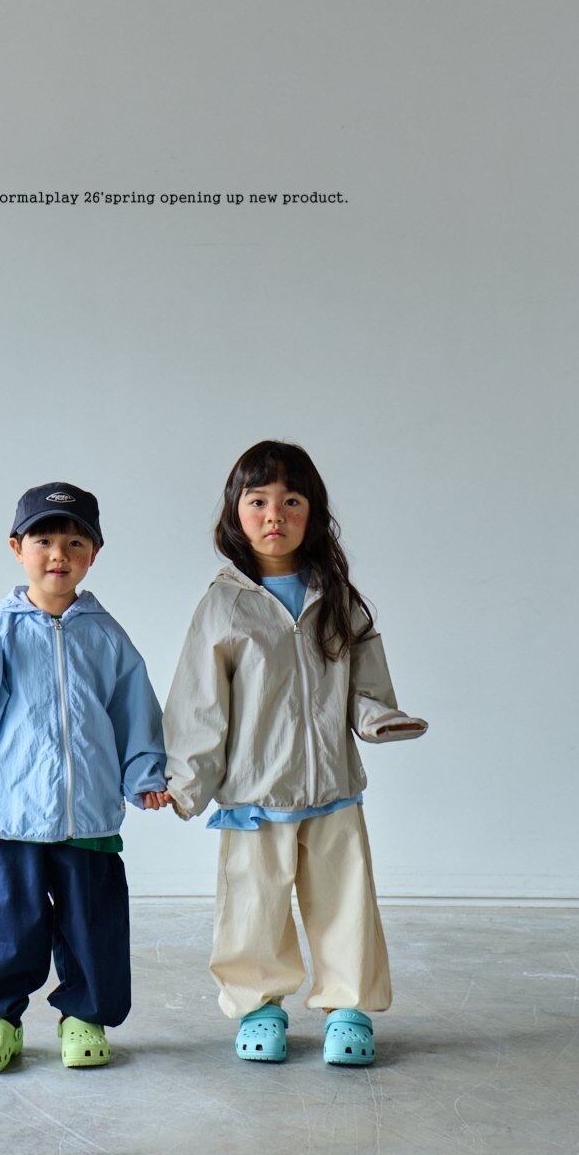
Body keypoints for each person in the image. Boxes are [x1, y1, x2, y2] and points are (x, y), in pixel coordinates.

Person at [163, 441, 428, 1066]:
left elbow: (364, 683)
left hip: (333, 787)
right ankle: (259, 1007)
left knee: (345, 903)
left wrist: (379, 719)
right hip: (255, 793)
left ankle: (348, 1009)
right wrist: (185, 783)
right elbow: (199, 705)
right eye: (257, 502)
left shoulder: (337, 597)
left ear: (313, 513)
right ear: (235, 512)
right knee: (251, 908)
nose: (274, 515)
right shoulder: (223, 604)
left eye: (291, 502)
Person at [0, 481, 171, 1072]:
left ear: (94, 554)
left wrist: (143, 773)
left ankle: (85, 1015)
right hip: (8, 810)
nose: (58, 554)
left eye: (74, 542)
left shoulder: (107, 635)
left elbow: (134, 710)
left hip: (87, 812)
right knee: (3, 923)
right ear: (17, 548)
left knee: (93, 923)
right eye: (43, 540)